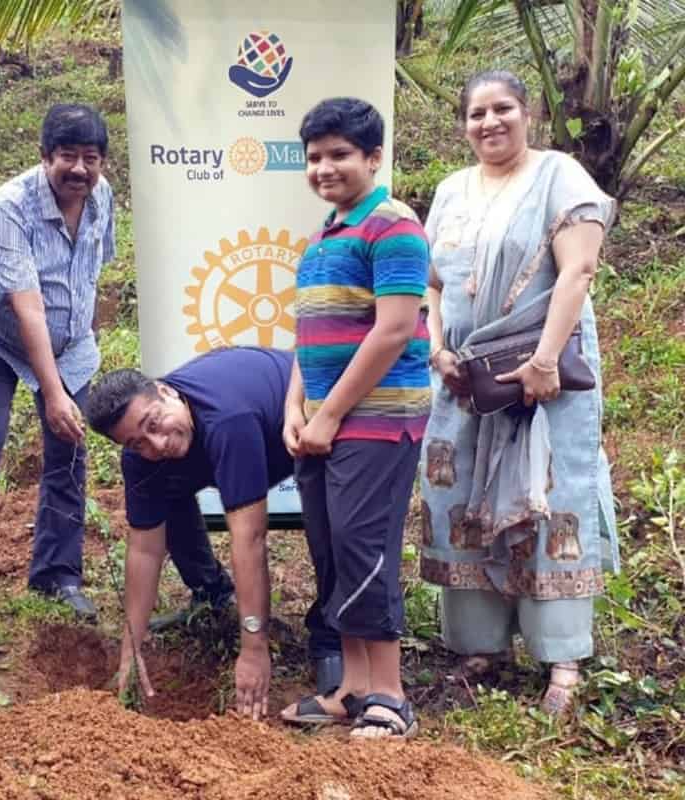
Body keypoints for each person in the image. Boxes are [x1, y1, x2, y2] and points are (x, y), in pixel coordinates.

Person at [419, 70, 618, 716]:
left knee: (549, 502)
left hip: (543, 379)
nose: (489, 123)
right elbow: (433, 283)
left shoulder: (559, 177)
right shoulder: (451, 190)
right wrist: (437, 345)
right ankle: (479, 644)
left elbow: (578, 270)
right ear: (464, 124)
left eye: (502, 108)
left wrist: (543, 358)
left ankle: (561, 656)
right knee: (462, 498)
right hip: (463, 381)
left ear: (526, 113)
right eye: (476, 114)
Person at [0, 103, 116, 619]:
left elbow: (95, 272)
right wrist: (51, 393)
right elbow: (25, 305)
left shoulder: (102, 199)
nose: (79, 169)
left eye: (90, 158)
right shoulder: (10, 206)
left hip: (71, 349)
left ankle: (58, 575)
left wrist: (84, 343)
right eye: (67, 157)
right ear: (44, 155)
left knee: (69, 454)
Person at [279, 97, 431, 739]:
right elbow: (308, 337)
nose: (324, 167)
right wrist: (296, 407)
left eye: (340, 154)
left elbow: (394, 330)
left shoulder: (393, 226)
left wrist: (331, 414)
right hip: (322, 424)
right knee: (333, 550)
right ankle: (352, 688)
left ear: (374, 158)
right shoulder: (323, 236)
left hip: (376, 420)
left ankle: (390, 698)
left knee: (365, 549)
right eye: (314, 157)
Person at [85, 348, 345, 721]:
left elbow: (249, 539)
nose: (156, 444)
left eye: (154, 423)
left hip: (305, 422)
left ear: (167, 392)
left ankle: (331, 638)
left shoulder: (226, 419)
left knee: (330, 530)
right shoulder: (143, 458)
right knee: (162, 489)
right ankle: (212, 593)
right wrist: (132, 647)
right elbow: (144, 549)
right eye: (137, 442)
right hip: (242, 431)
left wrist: (254, 647)